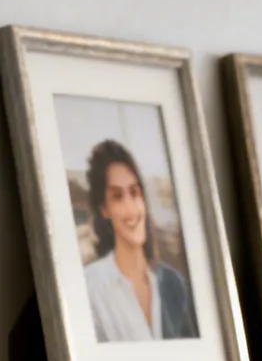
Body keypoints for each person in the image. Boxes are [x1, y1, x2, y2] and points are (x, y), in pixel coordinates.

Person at [80, 139, 198, 342]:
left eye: (134, 193)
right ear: (104, 210)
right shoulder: (90, 287)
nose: (131, 208)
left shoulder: (173, 283)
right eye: (117, 197)